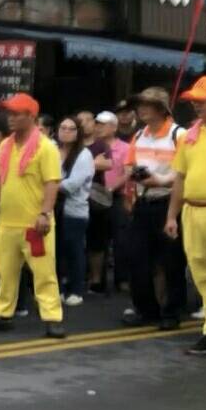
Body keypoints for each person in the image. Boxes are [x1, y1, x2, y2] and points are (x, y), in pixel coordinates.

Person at [0, 93, 65, 338]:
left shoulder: (45, 147)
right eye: (10, 114)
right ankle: (2, 313)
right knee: (4, 271)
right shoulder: (6, 145)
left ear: (30, 117)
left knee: (43, 272)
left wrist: (44, 213)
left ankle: (52, 317)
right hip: (7, 222)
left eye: (16, 114)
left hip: (34, 224)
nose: (10, 119)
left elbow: (52, 183)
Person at [165, 75, 206, 355]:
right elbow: (180, 178)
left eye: (203, 101)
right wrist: (171, 216)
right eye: (193, 102)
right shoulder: (190, 136)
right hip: (194, 211)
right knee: (204, 273)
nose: (196, 106)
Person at [124, 87, 187, 330]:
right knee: (136, 258)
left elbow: (184, 172)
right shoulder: (139, 134)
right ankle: (146, 309)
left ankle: (172, 312)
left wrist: (159, 180)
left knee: (171, 261)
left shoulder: (178, 135)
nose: (140, 109)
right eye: (140, 104)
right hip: (143, 201)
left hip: (168, 201)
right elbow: (129, 164)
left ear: (161, 109)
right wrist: (134, 176)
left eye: (146, 104)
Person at [55, 117, 95, 307]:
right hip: (54, 208)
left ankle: (76, 288)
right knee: (56, 250)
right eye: (63, 128)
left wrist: (49, 185)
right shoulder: (53, 151)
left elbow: (72, 184)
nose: (66, 132)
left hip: (75, 209)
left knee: (74, 249)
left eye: (71, 129)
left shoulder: (84, 154)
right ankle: (59, 288)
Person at [88, 111, 125, 294]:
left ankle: (121, 279)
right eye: (97, 124)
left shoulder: (125, 147)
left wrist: (112, 188)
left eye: (103, 124)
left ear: (114, 127)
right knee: (98, 239)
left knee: (120, 239)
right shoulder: (93, 146)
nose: (99, 127)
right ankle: (97, 281)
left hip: (116, 196)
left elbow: (128, 172)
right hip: (96, 197)